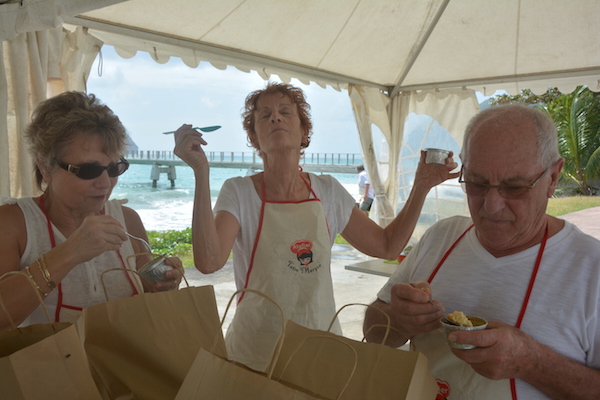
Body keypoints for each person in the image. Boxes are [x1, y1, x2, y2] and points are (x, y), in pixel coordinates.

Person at [173, 82, 458, 372]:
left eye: (286, 112)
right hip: (254, 353)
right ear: (254, 138)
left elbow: (386, 245)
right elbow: (209, 262)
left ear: (304, 132)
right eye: (265, 115)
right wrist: (201, 171)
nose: (276, 118)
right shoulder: (238, 192)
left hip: (320, 349)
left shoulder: (328, 191)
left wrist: (421, 187)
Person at [363, 104, 600, 399]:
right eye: (477, 183)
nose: (491, 206)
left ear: (552, 178)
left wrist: (532, 363)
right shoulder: (441, 236)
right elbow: (374, 331)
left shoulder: (592, 268)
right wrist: (397, 319)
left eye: (514, 187)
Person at [0, 91, 183, 330]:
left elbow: (147, 298)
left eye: (114, 168)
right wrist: (71, 252)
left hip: (124, 364)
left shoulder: (127, 221)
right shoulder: (13, 223)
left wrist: (165, 283)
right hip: (45, 366)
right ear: (45, 167)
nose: (105, 183)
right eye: (88, 171)